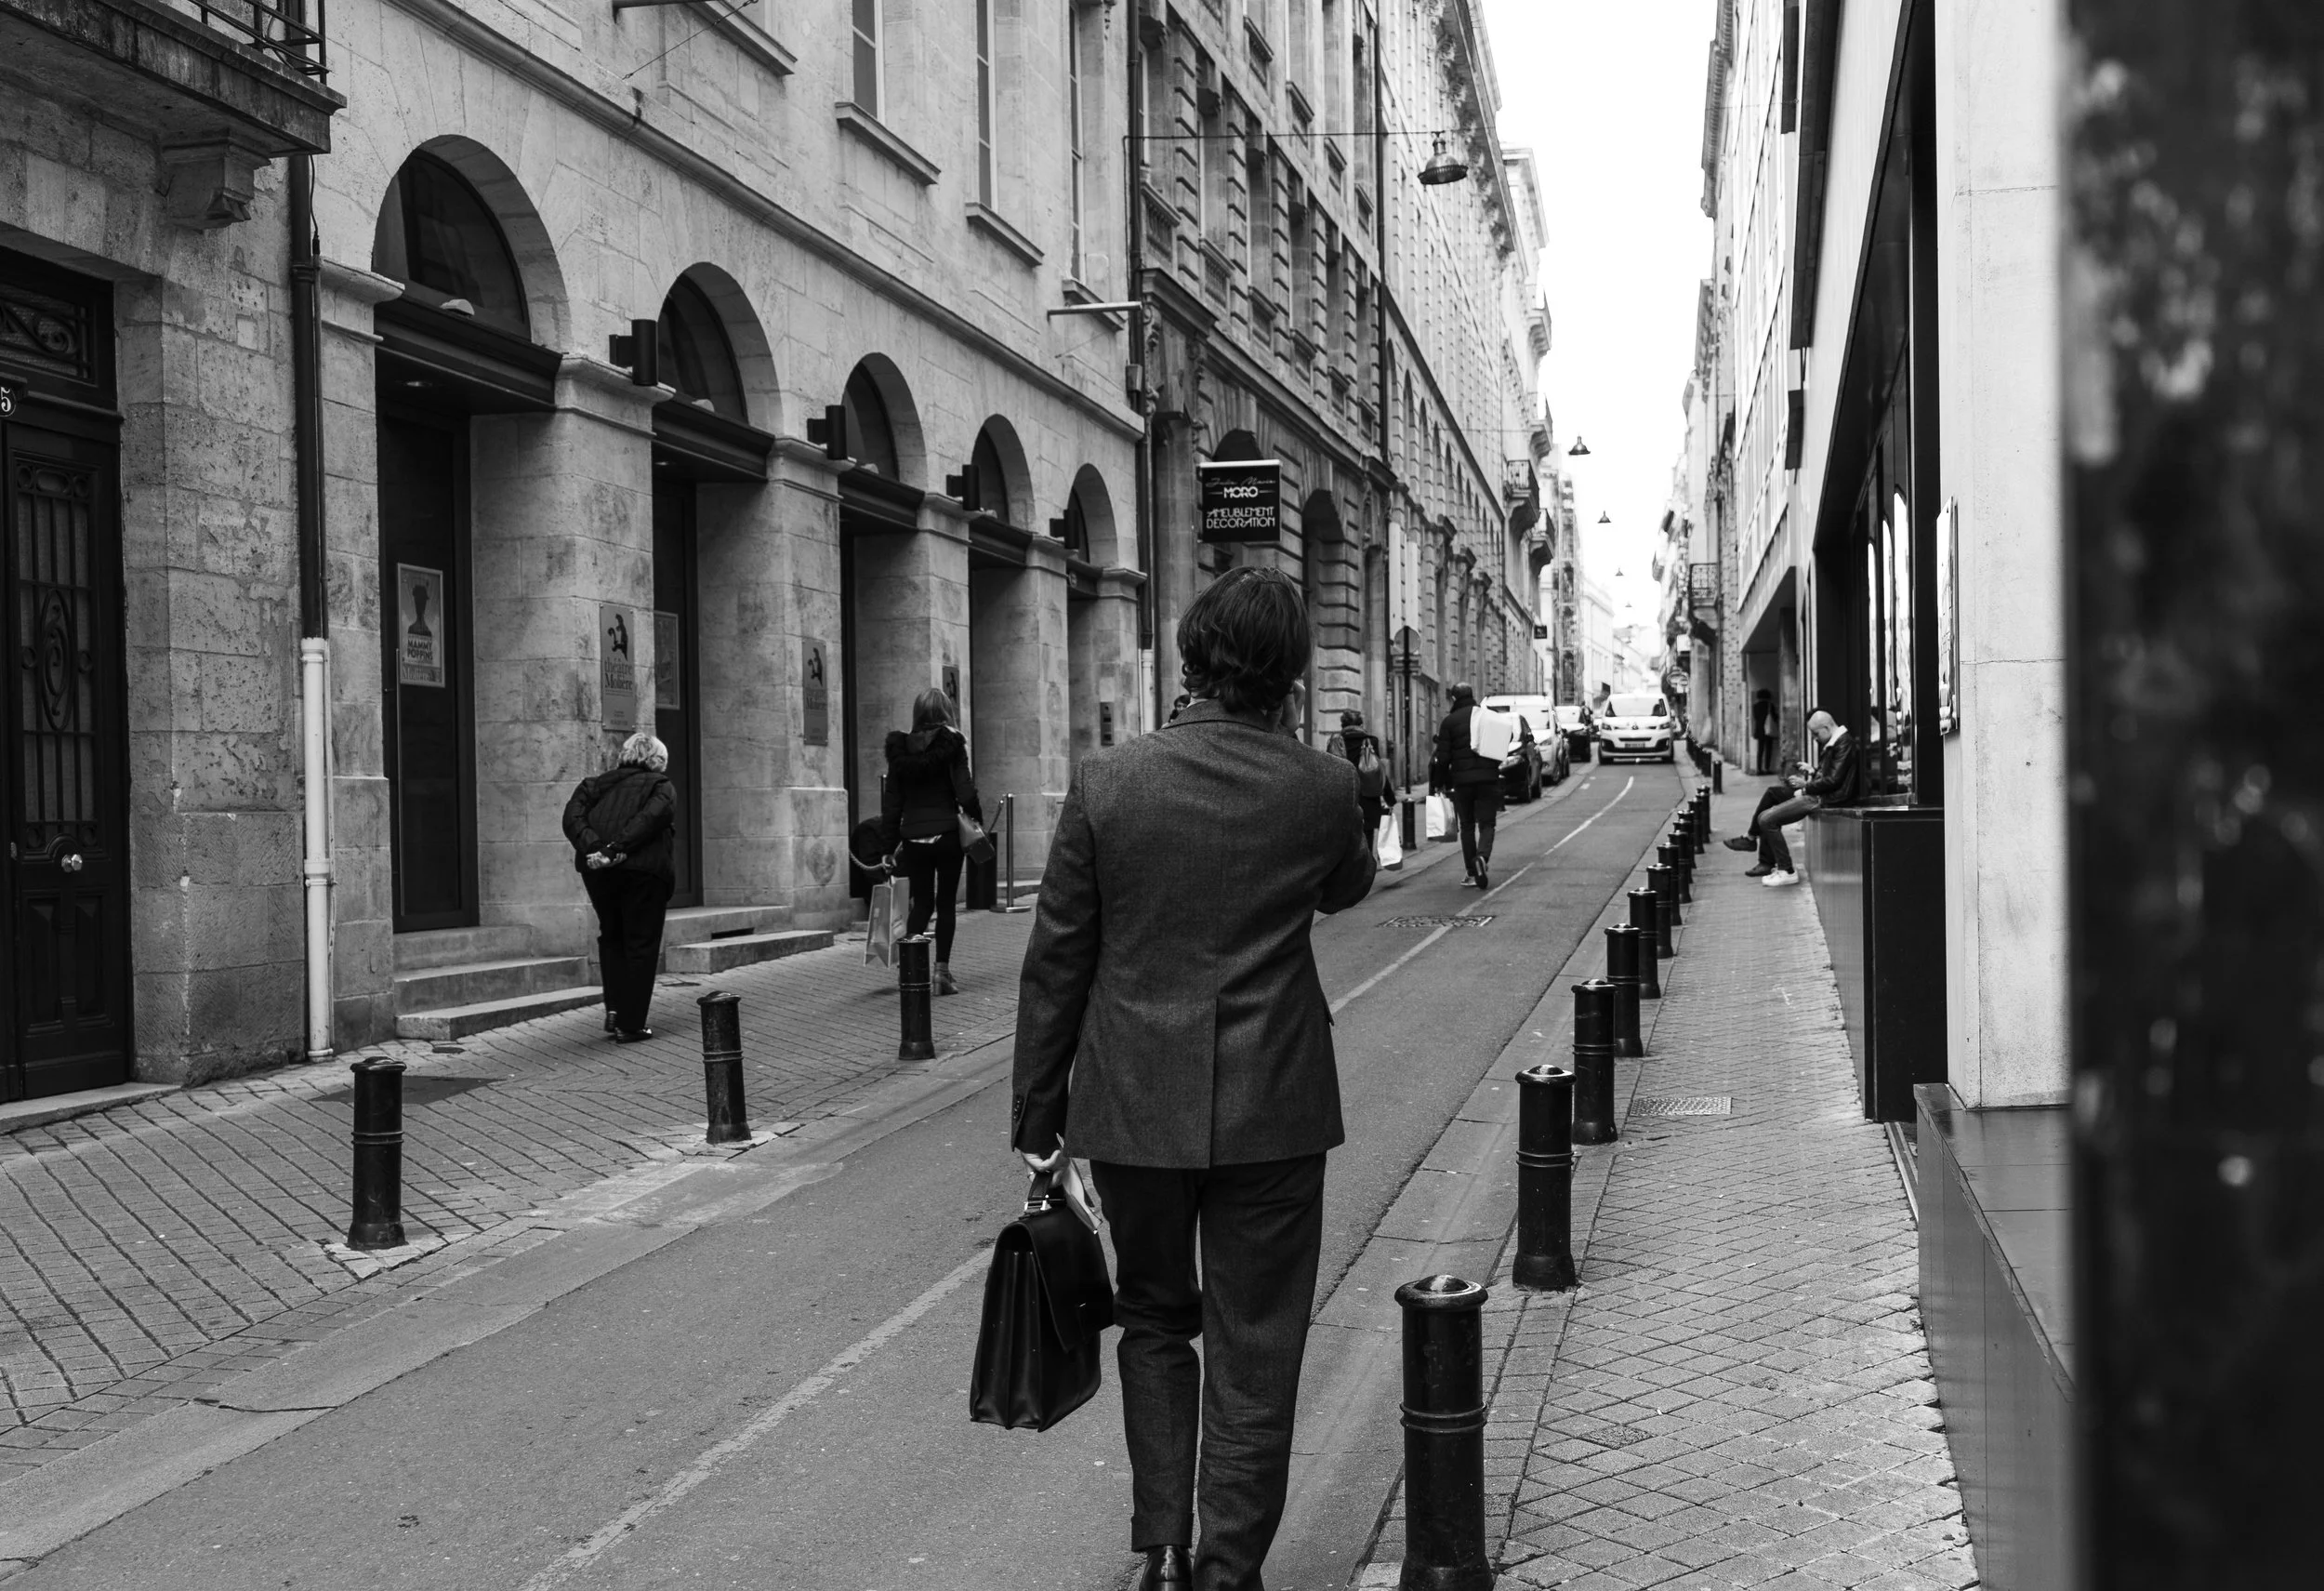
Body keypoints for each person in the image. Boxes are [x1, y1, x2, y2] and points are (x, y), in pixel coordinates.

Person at [1012, 566, 1375, 1591]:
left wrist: (1041, 1118)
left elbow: (1057, 962)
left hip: (1133, 1105)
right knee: (1257, 1343)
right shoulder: (1318, 787)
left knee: (1157, 1316)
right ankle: (1228, 1570)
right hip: (1276, 1102)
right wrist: (1348, 777)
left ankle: (1163, 1551)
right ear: (1291, 676)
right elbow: (1349, 885)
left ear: (1192, 657)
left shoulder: (1108, 781)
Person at [562, 731, 677, 1041]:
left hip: (599, 872)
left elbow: (572, 818)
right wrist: (614, 849)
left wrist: (597, 850)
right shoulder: (660, 785)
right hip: (644, 872)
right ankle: (631, 1022)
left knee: (612, 936)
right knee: (641, 942)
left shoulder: (593, 785)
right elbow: (652, 817)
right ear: (658, 761)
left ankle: (614, 1010)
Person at [880, 687, 984, 995]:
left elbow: (892, 804)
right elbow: (965, 790)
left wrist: (887, 847)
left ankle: (912, 972)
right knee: (946, 903)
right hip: (948, 835)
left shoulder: (900, 750)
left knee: (922, 902)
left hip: (913, 837)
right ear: (946, 712)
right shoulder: (952, 745)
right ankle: (941, 973)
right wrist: (975, 818)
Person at [1723, 707, 1862, 885]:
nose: (1814, 738)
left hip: (1824, 798)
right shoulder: (1835, 742)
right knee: (1768, 807)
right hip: (1821, 795)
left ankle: (1786, 869)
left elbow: (1834, 780)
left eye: (1815, 734)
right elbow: (1831, 776)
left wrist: (1805, 788)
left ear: (1827, 727)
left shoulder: (1843, 743)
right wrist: (1812, 772)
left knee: (1766, 819)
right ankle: (1766, 857)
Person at [1430, 682, 1507, 891]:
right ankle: (1482, 857)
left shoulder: (1449, 722)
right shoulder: (1487, 716)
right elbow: (1502, 743)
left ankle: (1472, 872)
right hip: (1488, 780)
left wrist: (1438, 784)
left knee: (1467, 826)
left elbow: (1443, 758)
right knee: (1487, 824)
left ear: (1454, 699)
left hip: (1462, 782)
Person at [1331, 708, 1394, 843]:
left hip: (1345, 797)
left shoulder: (1336, 742)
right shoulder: (1371, 742)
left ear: (1343, 725)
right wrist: (1390, 798)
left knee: (1346, 839)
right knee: (1367, 837)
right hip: (1368, 796)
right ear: (1361, 725)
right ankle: (1367, 863)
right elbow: (1378, 772)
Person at [1750, 688, 1777, 776]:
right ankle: (1767, 768)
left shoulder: (1755, 706)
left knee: (1760, 750)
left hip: (1759, 730)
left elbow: (1755, 717)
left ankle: (1759, 769)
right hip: (1769, 730)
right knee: (1768, 750)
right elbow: (1775, 717)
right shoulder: (1770, 705)